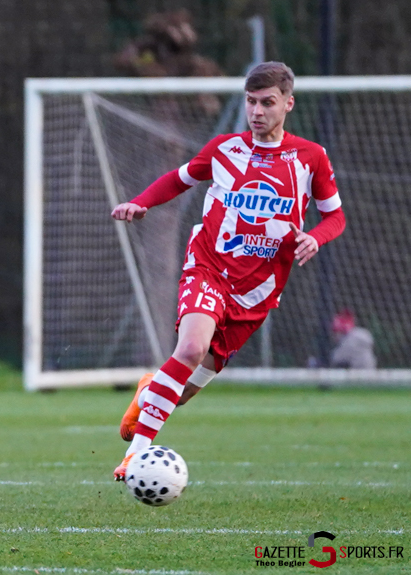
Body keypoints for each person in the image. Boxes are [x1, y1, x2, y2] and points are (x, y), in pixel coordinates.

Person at [109, 61, 346, 480]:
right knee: (189, 348)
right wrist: (142, 202)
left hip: (256, 292)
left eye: (267, 103)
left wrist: (316, 238)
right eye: (251, 102)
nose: (257, 112)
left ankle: (152, 389)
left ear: (288, 104)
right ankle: (137, 456)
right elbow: (178, 179)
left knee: (182, 391)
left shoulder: (310, 158)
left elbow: (335, 218)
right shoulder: (224, 149)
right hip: (209, 268)